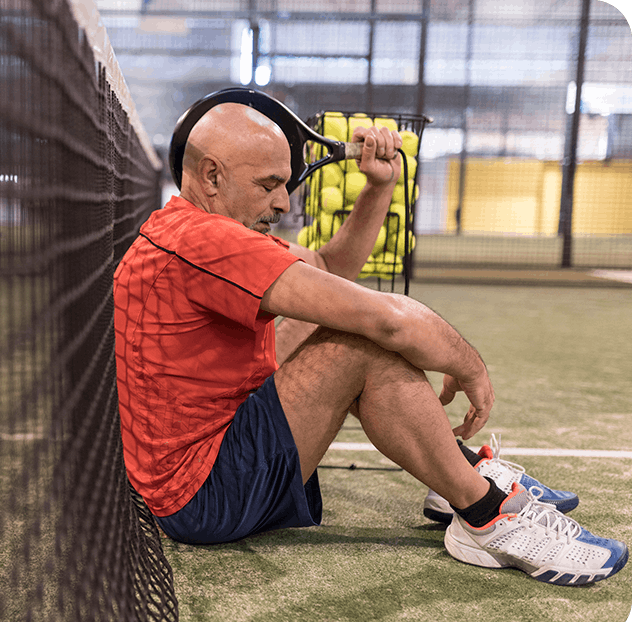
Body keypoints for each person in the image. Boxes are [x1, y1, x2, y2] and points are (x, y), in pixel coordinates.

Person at [113, 102, 627, 586]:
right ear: (211, 175)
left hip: (194, 469)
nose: (283, 202)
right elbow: (388, 322)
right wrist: (469, 365)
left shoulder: (189, 231)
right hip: (202, 498)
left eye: (285, 185)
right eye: (269, 184)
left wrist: (378, 188)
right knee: (359, 345)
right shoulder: (207, 244)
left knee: (328, 323)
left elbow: (331, 271)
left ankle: (451, 470)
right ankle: (486, 514)